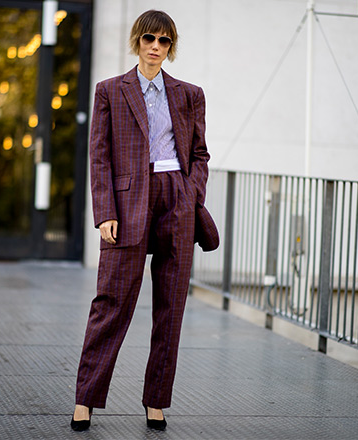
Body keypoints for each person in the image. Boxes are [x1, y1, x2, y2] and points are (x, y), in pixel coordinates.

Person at [71, 9, 218, 432]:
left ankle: (157, 401)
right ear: (137, 40)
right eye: (149, 38)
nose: (156, 46)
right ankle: (85, 399)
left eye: (165, 41)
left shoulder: (190, 93)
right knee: (111, 303)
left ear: (171, 47)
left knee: (170, 308)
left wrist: (191, 194)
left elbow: (200, 154)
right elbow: (99, 156)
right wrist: (105, 213)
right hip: (127, 202)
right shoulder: (109, 91)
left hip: (176, 198)